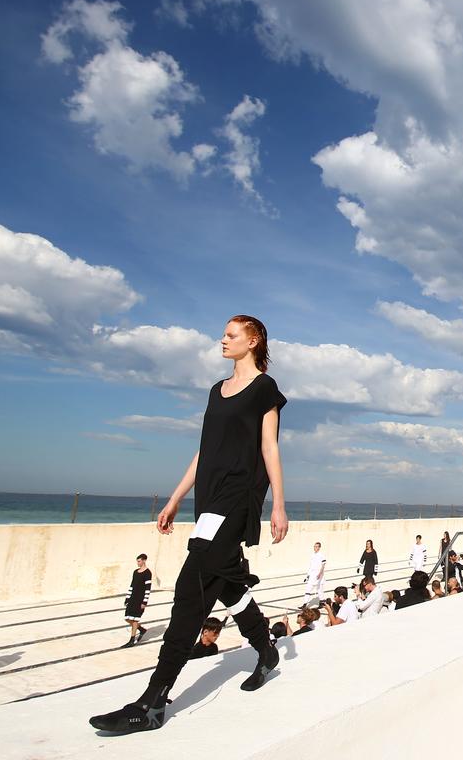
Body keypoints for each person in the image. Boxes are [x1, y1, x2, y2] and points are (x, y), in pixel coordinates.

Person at [90, 315, 288, 735]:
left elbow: (269, 447)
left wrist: (278, 506)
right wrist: (176, 497)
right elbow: (204, 452)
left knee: (190, 593)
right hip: (209, 503)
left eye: (231, 335)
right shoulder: (217, 391)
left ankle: (152, 702)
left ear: (252, 341)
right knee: (226, 582)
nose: (222, 340)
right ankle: (265, 649)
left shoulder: (264, 389)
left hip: (237, 500)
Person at [122, 554, 152, 648]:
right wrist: (127, 598)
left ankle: (132, 639)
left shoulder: (147, 573)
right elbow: (132, 585)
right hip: (133, 598)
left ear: (144, 561)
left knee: (135, 620)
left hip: (140, 599)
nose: (137, 563)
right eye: (137, 561)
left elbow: (148, 588)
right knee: (127, 618)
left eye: (139, 561)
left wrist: (144, 602)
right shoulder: (135, 572)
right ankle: (142, 629)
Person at [302, 541, 326, 608]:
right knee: (308, 588)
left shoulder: (321, 555)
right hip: (312, 575)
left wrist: (320, 574)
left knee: (319, 589)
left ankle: (322, 603)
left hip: (319, 576)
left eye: (316, 546)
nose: (315, 548)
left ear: (319, 548)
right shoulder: (312, 555)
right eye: (314, 546)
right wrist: (307, 576)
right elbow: (311, 567)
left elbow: (323, 565)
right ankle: (305, 604)